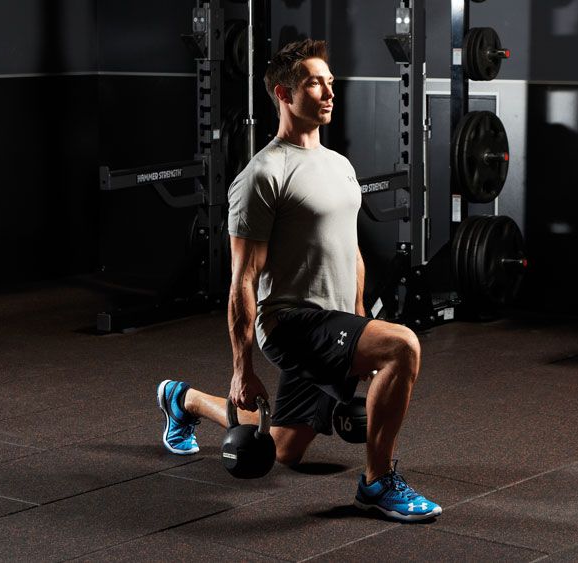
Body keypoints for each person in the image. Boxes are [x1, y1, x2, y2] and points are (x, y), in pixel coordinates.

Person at [156, 38, 441, 522]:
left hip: (334, 318)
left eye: (331, 83)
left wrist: (358, 322)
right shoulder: (263, 174)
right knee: (403, 346)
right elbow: (242, 281)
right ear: (283, 94)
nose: (330, 93)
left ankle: (183, 400)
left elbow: (350, 251)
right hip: (291, 323)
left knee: (282, 448)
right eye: (315, 83)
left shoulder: (339, 165)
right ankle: (376, 483)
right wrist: (243, 370)